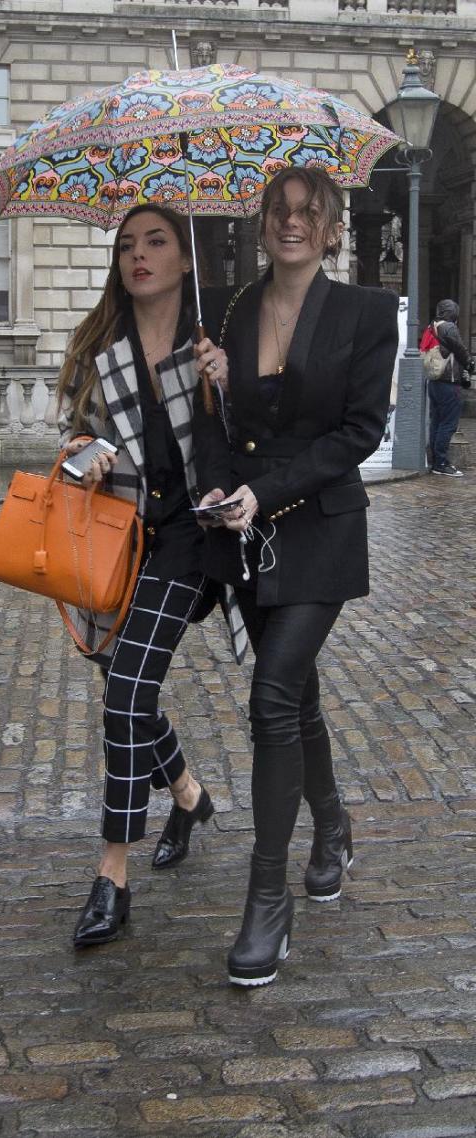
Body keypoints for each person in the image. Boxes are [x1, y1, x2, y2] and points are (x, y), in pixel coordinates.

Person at [193, 167, 399, 987]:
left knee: (272, 695)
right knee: (298, 696)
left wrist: (264, 489)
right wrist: (219, 389)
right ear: (262, 222)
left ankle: (265, 901)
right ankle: (334, 824)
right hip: (250, 535)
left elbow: (357, 433)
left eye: (308, 213)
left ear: (332, 226)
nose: (292, 223)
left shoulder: (365, 312)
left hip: (319, 530)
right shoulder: (239, 310)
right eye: (279, 211)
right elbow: (245, 431)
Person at [57, 203, 231, 948]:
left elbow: (265, 434)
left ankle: (111, 877)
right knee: (121, 682)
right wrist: (84, 450)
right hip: (125, 537)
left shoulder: (217, 337)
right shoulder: (103, 344)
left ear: (186, 256)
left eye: (157, 241)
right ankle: (188, 797)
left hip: (198, 536)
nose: (140, 255)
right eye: (127, 244)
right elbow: (72, 434)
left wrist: (232, 383)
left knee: (127, 690)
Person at [426, 298, 473, 478]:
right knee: (448, 424)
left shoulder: (433, 325)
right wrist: (470, 363)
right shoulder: (449, 328)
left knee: (437, 422)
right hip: (448, 382)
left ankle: (435, 460)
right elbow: (460, 350)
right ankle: (441, 462)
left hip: (435, 381)